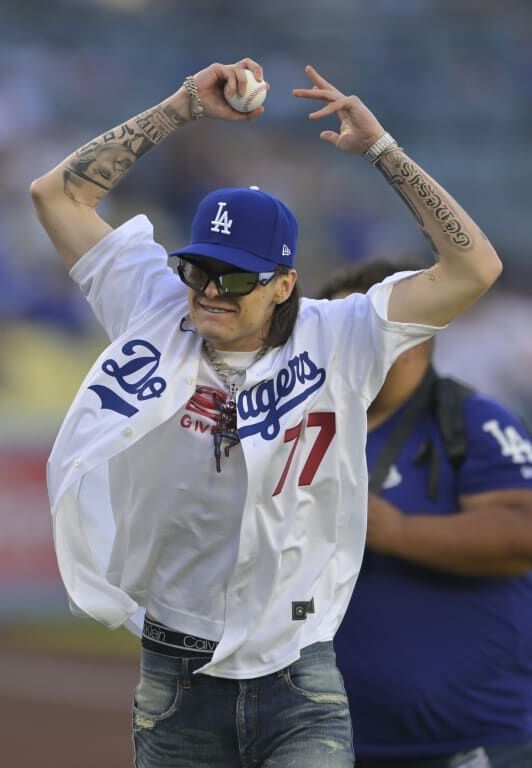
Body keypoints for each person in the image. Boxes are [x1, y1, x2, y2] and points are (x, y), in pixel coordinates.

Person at [29, 58, 502, 768]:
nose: (210, 289)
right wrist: (183, 105)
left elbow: (475, 270)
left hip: (298, 672)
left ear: (284, 283)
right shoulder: (151, 305)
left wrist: (382, 152)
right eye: (199, 267)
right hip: (175, 672)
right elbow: (55, 196)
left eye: (236, 276)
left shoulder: (342, 336)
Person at [320, 261, 532, 768]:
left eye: (352, 332)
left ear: (412, 338)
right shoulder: (298, 426)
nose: (329, 349)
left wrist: (392, 530)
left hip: (475, 745)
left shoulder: (471, 421)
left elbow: (522, 532)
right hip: (330, 743)